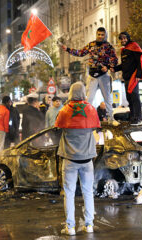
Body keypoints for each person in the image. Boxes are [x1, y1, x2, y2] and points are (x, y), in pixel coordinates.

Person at [55, 82, 100, 236]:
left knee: (69, 193)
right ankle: (89, 225)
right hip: (87, 159)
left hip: (69, 158)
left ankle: (71, 227)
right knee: (88, 192)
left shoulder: (64, 110)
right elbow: (94, 128)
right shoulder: (91, 109)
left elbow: (58, 127)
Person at [61, 27, 118, 119]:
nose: (100, 36)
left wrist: (107, 67)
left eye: (102, 35)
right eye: (98, 34)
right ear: (96, 34)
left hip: (103, 76)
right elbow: (80, 53)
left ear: (105, 35)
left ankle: (110, 118)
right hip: (92, 76)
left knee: (107, 98)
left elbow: (115, 60)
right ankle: (86, 118)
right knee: (89, 98)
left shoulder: (109, 47)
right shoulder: (91, 45)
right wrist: (67, 49)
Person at [111, 31, 142, 124]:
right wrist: (115, 69)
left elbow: (140, 61)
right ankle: (132, 115)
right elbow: (124, 65)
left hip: (133, 76)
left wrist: (139, 74)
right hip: (126, 77)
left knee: (134, 96)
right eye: (121, 38)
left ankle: (137, 117)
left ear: (128, 38)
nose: (123, 40)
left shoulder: (134, 46)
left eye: (125, 38)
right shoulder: (124, 50)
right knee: (129, 97)